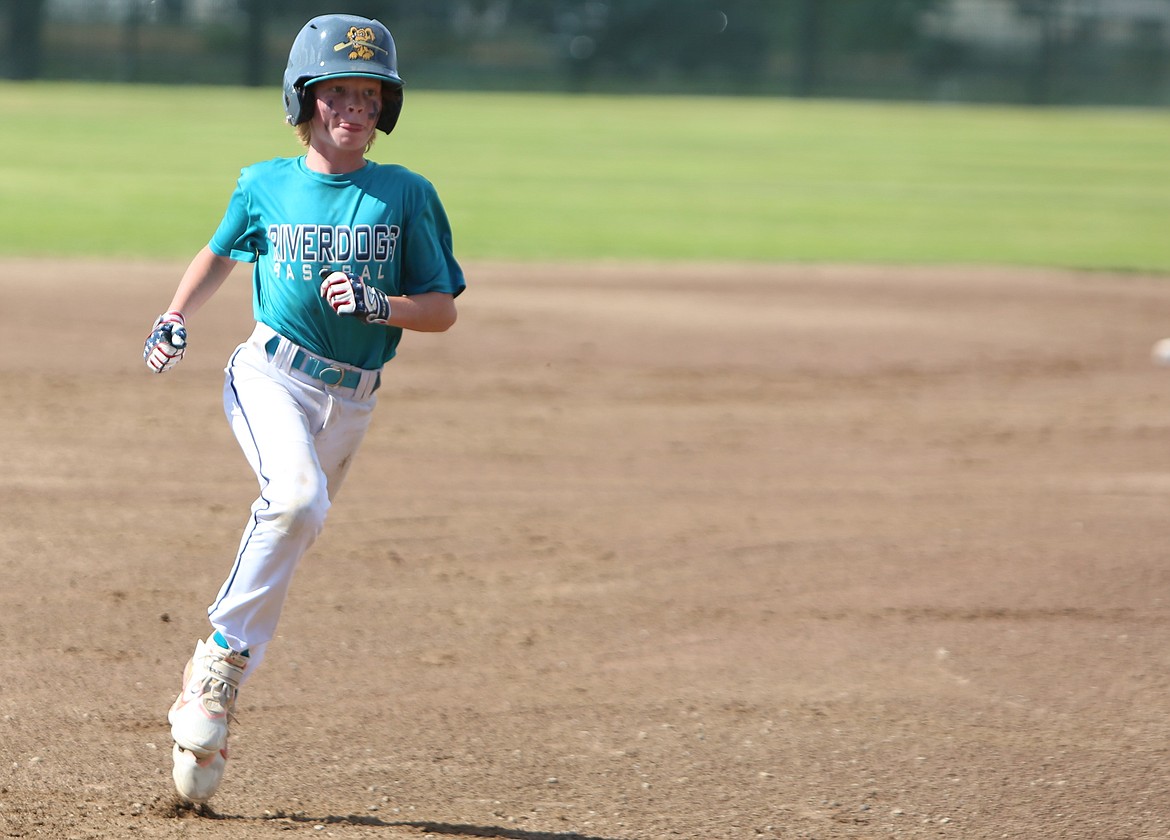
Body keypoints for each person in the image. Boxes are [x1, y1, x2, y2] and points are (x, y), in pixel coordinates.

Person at [142, 13, 465, 805]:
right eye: (336, 94)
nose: (352, 109)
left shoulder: (405, 194)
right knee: (293, 500)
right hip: (271, 375)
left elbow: (442, 308)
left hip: (352, 400)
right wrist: (176, 312)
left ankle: (213, 678)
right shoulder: (265, 184)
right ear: (303, 99)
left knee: (296, 524)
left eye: (368, 95)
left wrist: (379, 303)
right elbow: (221, 249)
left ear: (384, 109)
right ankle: (220, 662)